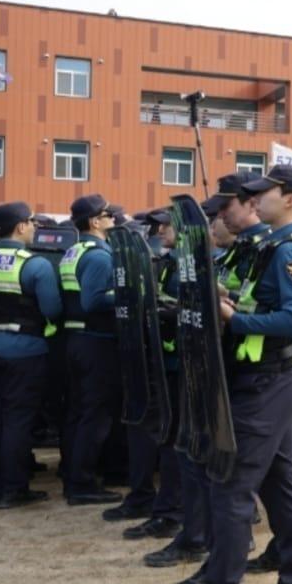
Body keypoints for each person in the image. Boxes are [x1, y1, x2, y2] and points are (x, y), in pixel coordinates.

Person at [162, 164, 292, 584]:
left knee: (230, 486)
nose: (253, 202)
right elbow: (266, 305)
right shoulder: (273, 246)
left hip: (268, 382)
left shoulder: (289, 249)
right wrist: (227, 298)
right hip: (268, 379)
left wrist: (236, 321)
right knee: (279, 481)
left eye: (262, 193)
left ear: (288, 198)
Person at [0, 203, 57, 508]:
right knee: (17, 420)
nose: (34, 227)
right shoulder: (34, 265)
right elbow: (52, 310)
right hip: (24, 351)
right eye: (31, 222)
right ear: (20, 227)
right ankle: (14, 489)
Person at [119, 208, 183, 539]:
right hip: (166, 362)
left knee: (176, 441)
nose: (159, 230)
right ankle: (163, 507)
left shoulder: (189, 264)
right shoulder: (169, 262)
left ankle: (173, 513)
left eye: (166, 225)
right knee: (165, 436)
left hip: (186, 366)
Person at [60, 194, 123, 505]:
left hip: (76, 340)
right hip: (96, 341)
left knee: (78, 412)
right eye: (107, 214)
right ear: (95, 222)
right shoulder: (99, 256)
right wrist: (130, 296)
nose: (113, 218)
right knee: (95, 415)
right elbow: (93, 301)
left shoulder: (73, 251)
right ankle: (82, 483)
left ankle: (73, 477)